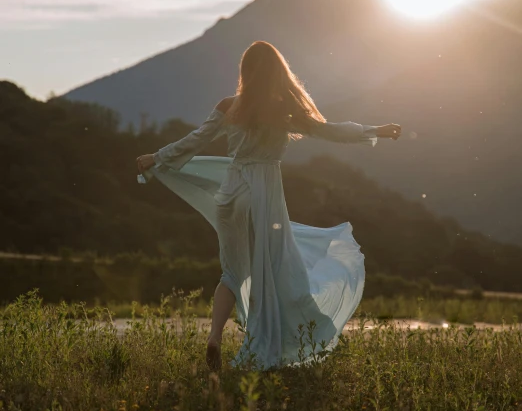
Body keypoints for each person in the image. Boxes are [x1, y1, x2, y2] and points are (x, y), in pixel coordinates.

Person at [136, 41, 401, 371]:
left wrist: (156, 157)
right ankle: (274, 340)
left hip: (231, 193)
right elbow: (329, 131)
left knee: (233, 272)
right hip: (263, 193)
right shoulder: (283, 111)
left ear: (245, 71)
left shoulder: (228, 106)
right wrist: (375, 130)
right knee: (274, 269)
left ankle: (215, 337)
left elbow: (195, 140)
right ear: (278, 73)